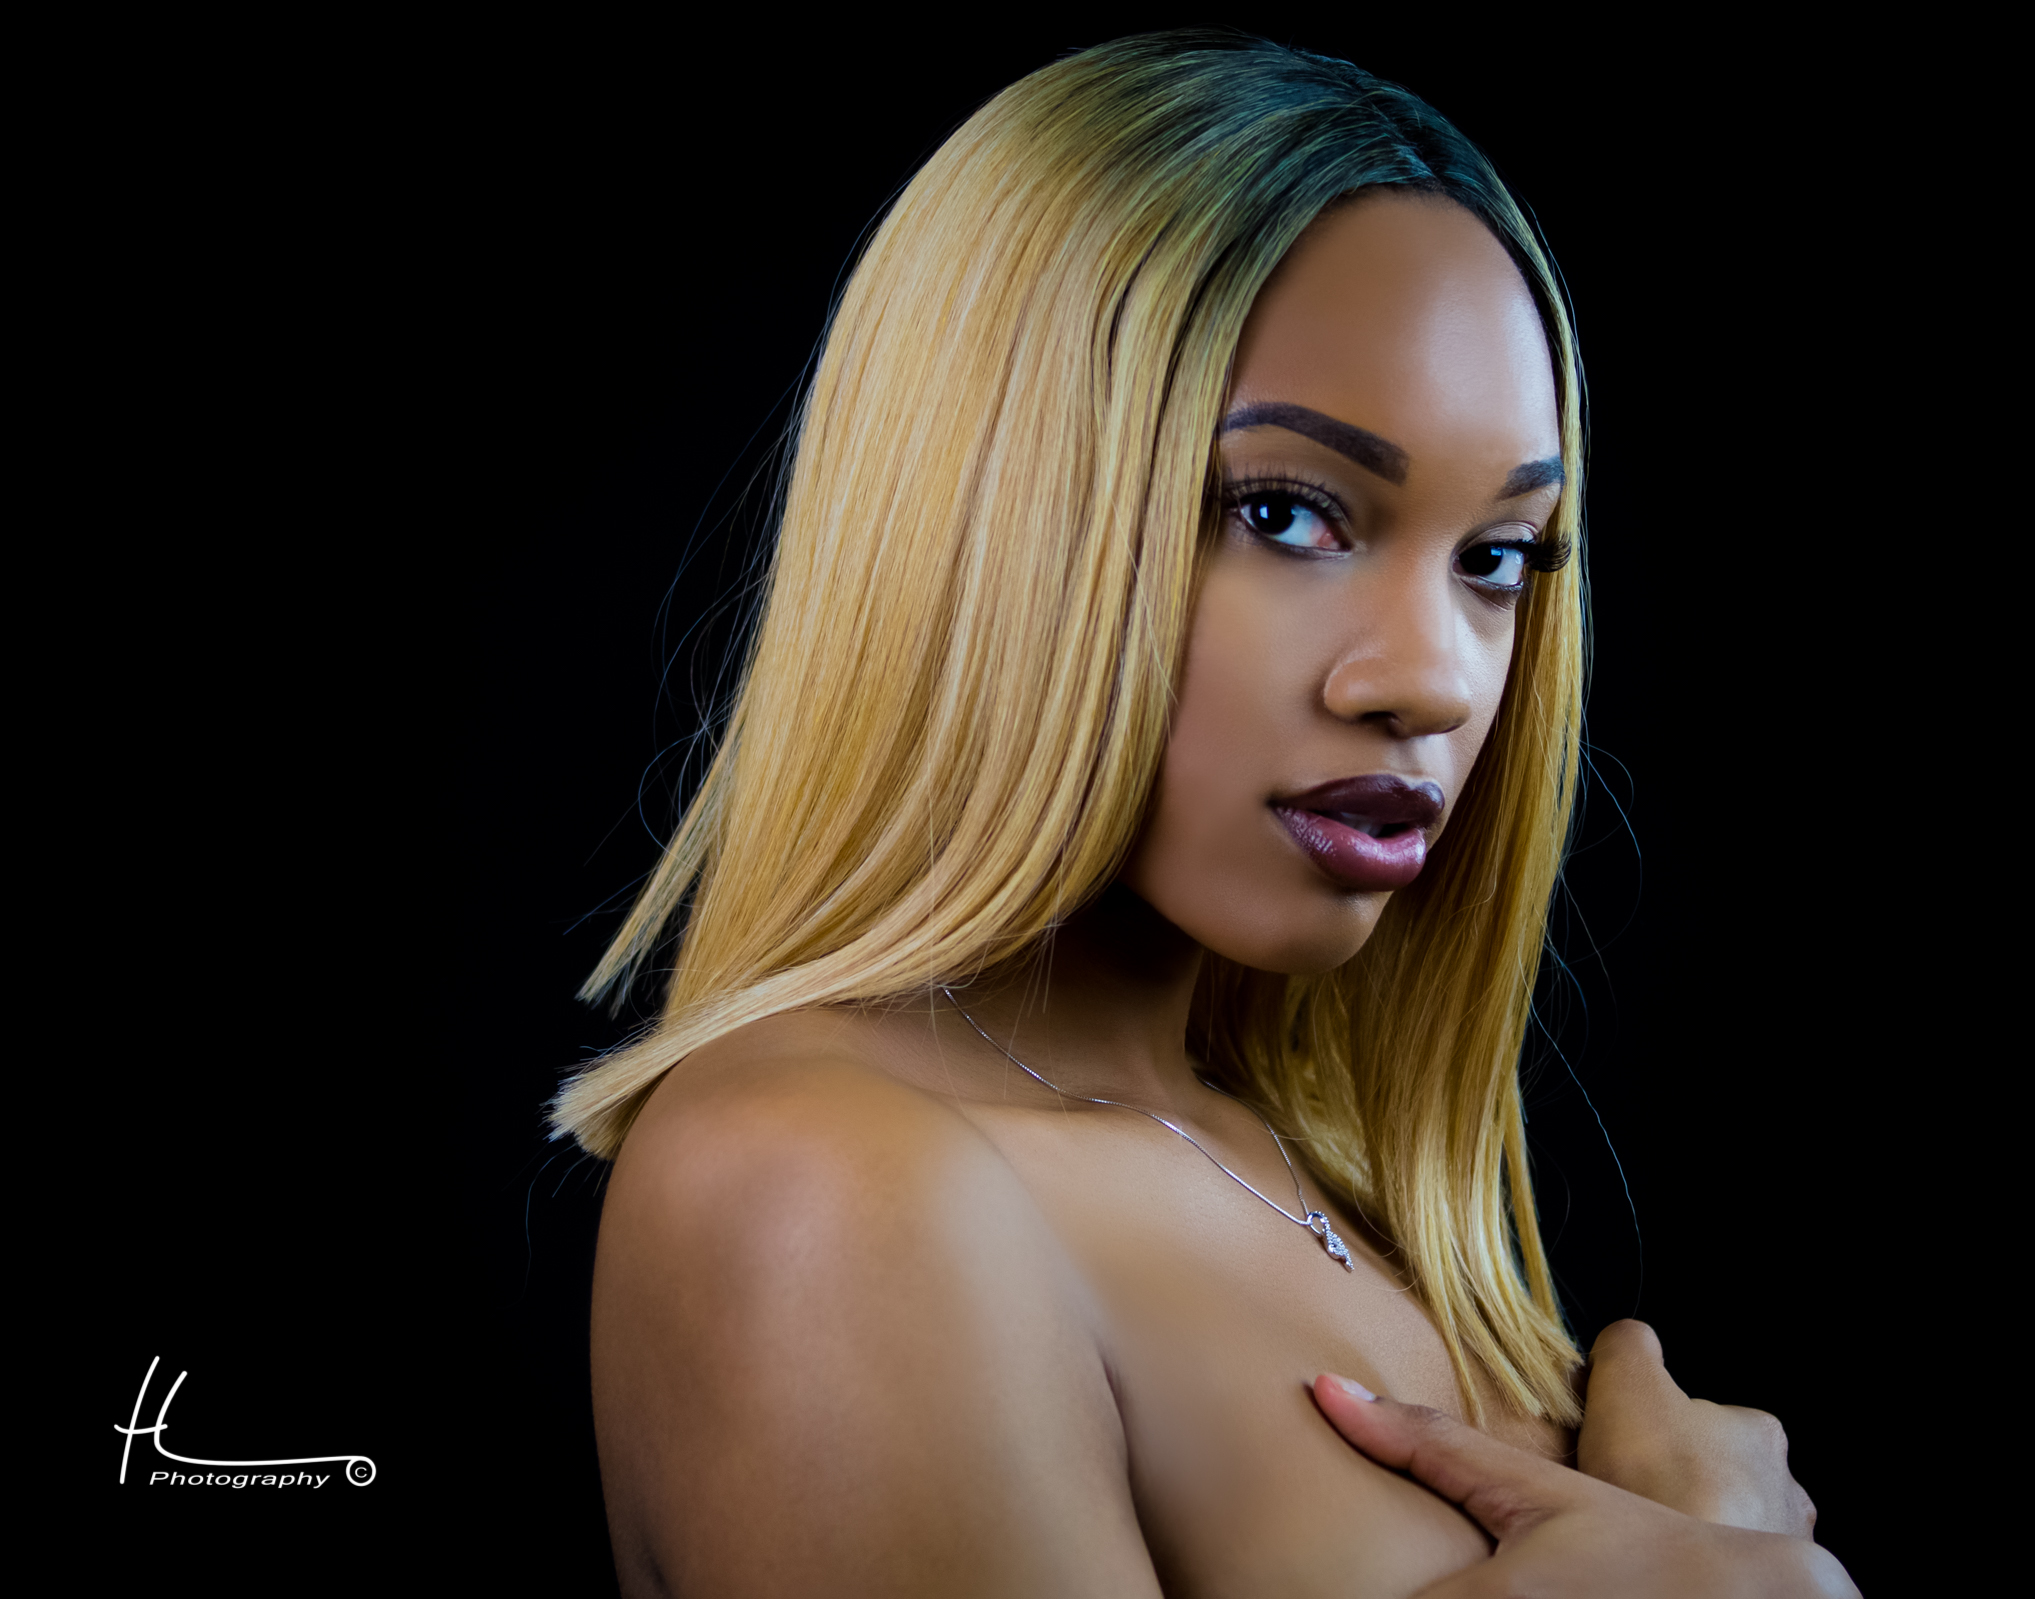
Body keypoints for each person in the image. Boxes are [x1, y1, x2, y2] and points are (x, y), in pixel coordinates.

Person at [552, 31, 1859, 1598]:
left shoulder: (1316, 1170)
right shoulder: (816, 1184)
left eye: (1498, 556)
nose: (1434, 681)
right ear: (988, 516)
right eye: (1286, 513)